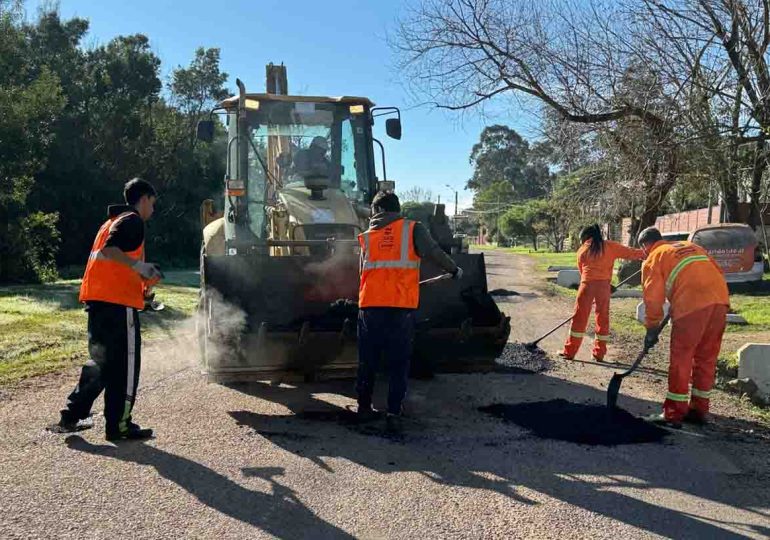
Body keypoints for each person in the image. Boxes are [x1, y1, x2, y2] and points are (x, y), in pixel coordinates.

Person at [50, 178, 162, 441]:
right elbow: (111, 251)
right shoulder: (132, 220)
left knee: (102, 364)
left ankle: (71, 415)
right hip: (118, 306)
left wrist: (142, 288)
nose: (153, 211)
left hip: (100, 303)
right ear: (143, 199)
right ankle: (119, 425)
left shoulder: (110, 222)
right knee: (125, 368)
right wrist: (141, 269)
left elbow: (112, 263)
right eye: (153, 204)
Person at [356, 191, 462, 433]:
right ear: (396, 210)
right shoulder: (412, 229)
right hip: (399, 308)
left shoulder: (366, 237)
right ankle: (393, 413)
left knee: (367, 361)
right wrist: (454, 270)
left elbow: (362, 274)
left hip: (369, 307)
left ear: (376, 211)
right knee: (398, 362)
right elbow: (434, 253)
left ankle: (363, 409)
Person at [637, 226, 729, 427]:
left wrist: (651, 327)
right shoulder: (691, 246)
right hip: (720, 302)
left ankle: (673, 412)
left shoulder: (654, 258)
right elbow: (712, 272)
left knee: (682, 357)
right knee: (706, 358)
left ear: (645, 246)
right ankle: (698, 409)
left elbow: (653, 300)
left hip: (692, 306)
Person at [559, 224, 645, 362]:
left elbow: (583, 272)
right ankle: (599, 354)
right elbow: (632, 253)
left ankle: (569, 352)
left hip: (586, 286)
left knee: (579, 318)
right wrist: (648, 253)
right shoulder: (610, 246)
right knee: (602, 319)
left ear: (586, 237)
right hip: (603, 287)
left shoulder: (582, 250)